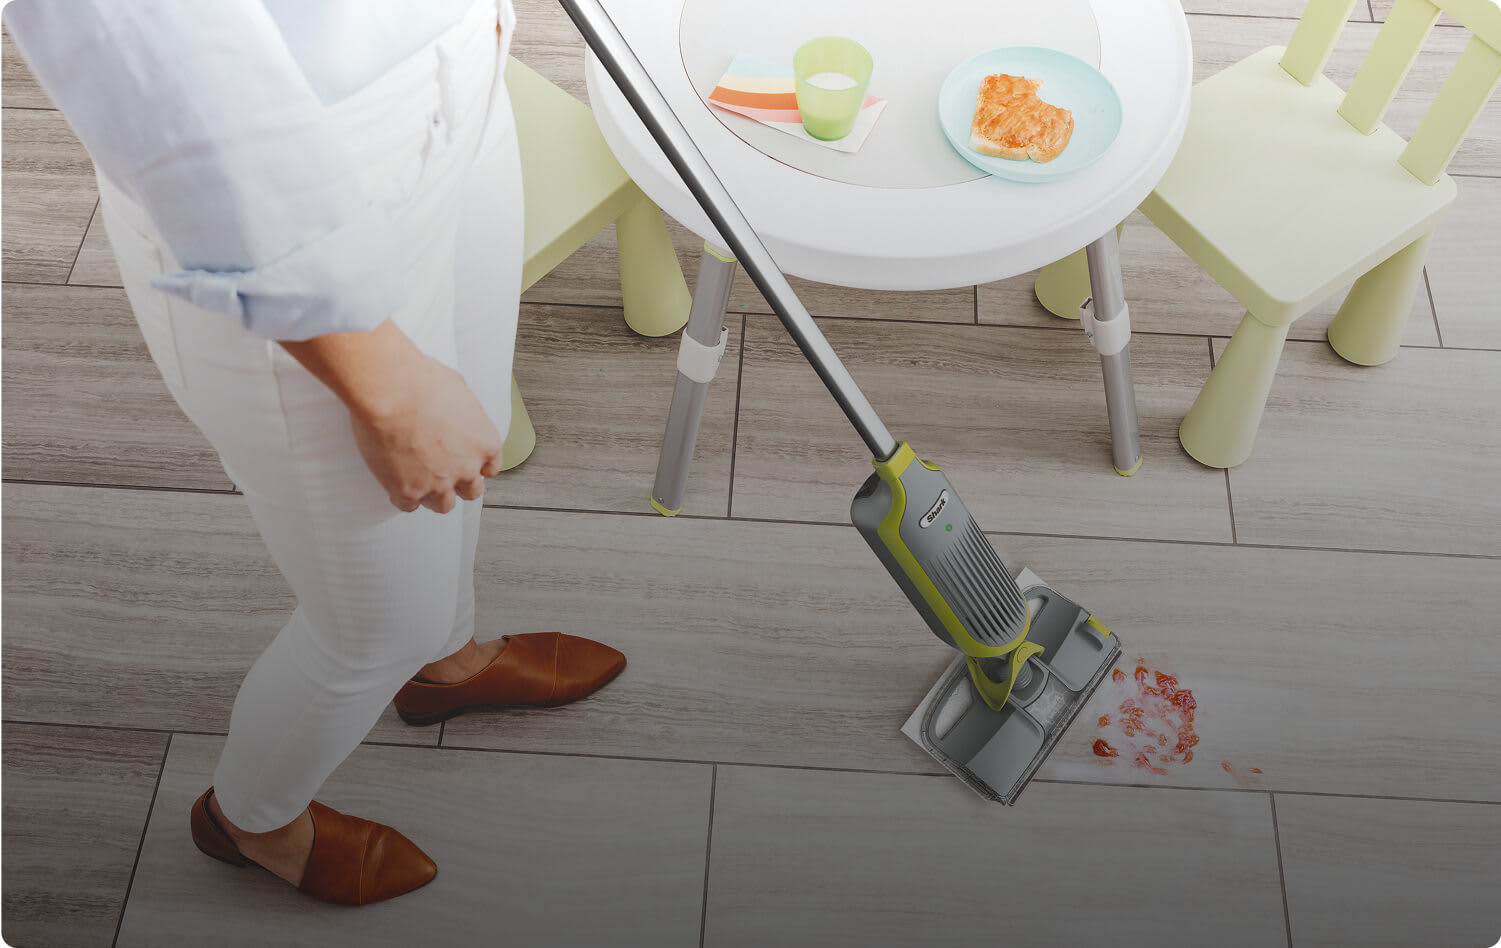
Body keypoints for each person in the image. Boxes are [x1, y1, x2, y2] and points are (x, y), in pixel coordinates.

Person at [5, 0, 627, 906]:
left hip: (461, 72)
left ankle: (443, 659)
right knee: (373, 618)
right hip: (282, 192)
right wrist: (388, 388)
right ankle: (253, 817)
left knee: (478, 421)